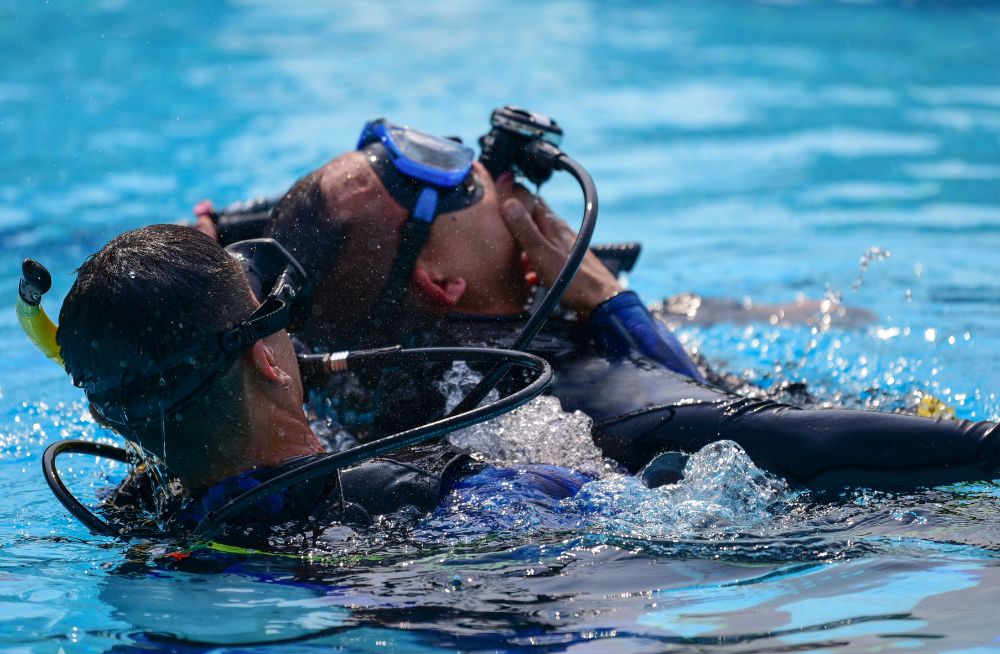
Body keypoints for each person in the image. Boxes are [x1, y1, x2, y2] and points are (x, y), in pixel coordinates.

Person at [257, 132, 1000, 492]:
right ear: (442, 282)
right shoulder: (575, 394)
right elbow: (751, 431)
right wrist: (616, 307)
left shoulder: (358, 377)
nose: (493, 173)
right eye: (463, 186)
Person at [55, 224, 586, 537]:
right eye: (276, 317)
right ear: (267, 360)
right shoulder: (428, 492)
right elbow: (620, 507)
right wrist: (611, 305)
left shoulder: (143, 521)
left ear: (104, 417)